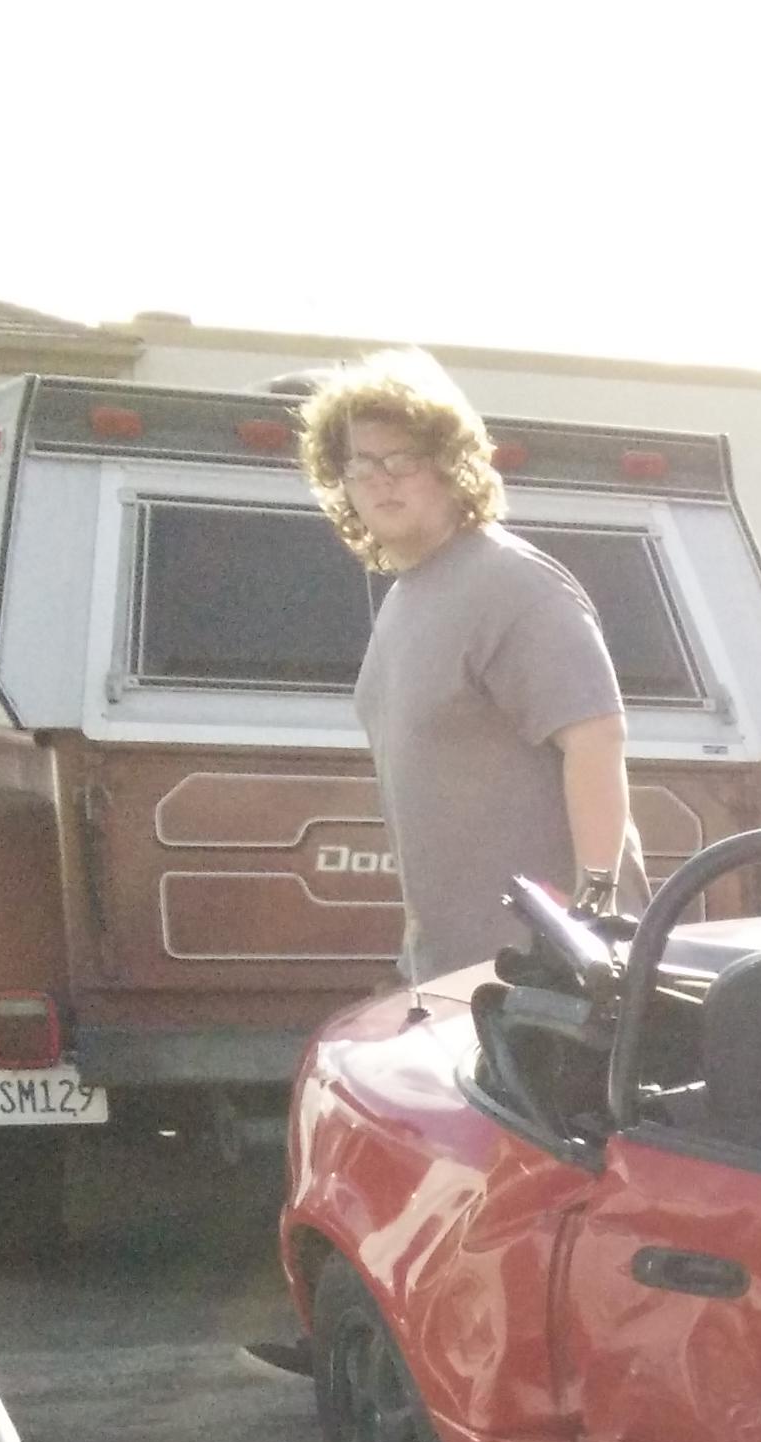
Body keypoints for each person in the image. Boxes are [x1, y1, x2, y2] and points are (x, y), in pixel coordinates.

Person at [296, 350, 636, 980]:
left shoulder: (511, 581)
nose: (381, 479)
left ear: (452, 466)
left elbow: (597, 738)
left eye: (402, 459)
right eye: (361, 463)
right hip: (455, 973)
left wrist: (591, 917)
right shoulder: (406, 597)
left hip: (552, 977)